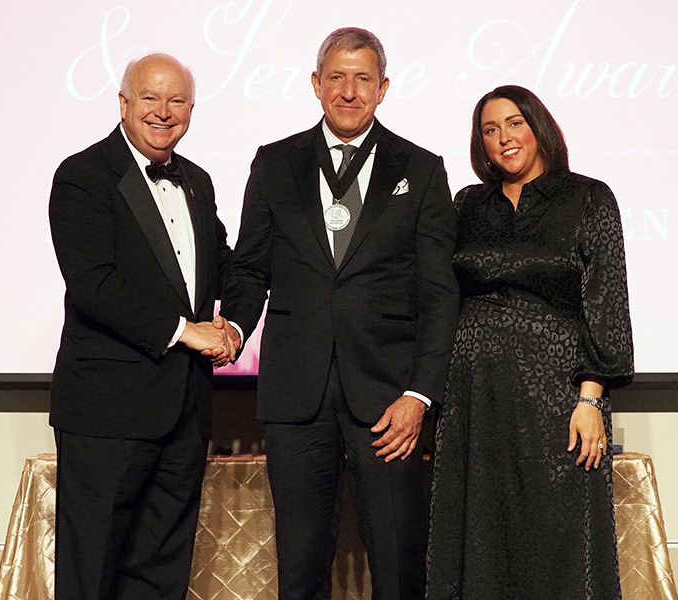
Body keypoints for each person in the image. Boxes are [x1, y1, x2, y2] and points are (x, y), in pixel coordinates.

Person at [219, 27, 459, 600]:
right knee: (300, 567)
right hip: (296, 396)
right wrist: (233, 326)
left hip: (388, 401)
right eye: (336, 78)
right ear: (316, 84)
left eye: (362, 79)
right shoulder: (275, 164)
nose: (348, 92)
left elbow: (439, 293)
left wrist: (420, 395)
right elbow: (251, 268)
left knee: (399, 564)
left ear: (383, 88)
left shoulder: (422, 170)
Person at [426, 85, 634, 600]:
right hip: (476, 395)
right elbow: (437, 292)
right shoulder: (468, 204)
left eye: (514, 123)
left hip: (558, 398)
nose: (504, 138)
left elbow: (607, 304)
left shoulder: (588, 197)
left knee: (558, 534)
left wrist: (591, 398)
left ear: (539, 127)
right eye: (490, 130)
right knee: (481, 531)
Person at [48, 53, 236, 600]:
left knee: (162, 570)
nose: (164, 111)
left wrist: (239, 321)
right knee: (93, 571)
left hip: (184, 410)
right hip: (108, 411)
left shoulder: (197, 180)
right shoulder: (83, 175)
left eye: (177, 100)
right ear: (124, 103)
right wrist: (185, 330)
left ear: (191, 110)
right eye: (150, 98)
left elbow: (224, 264)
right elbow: (93, 283)